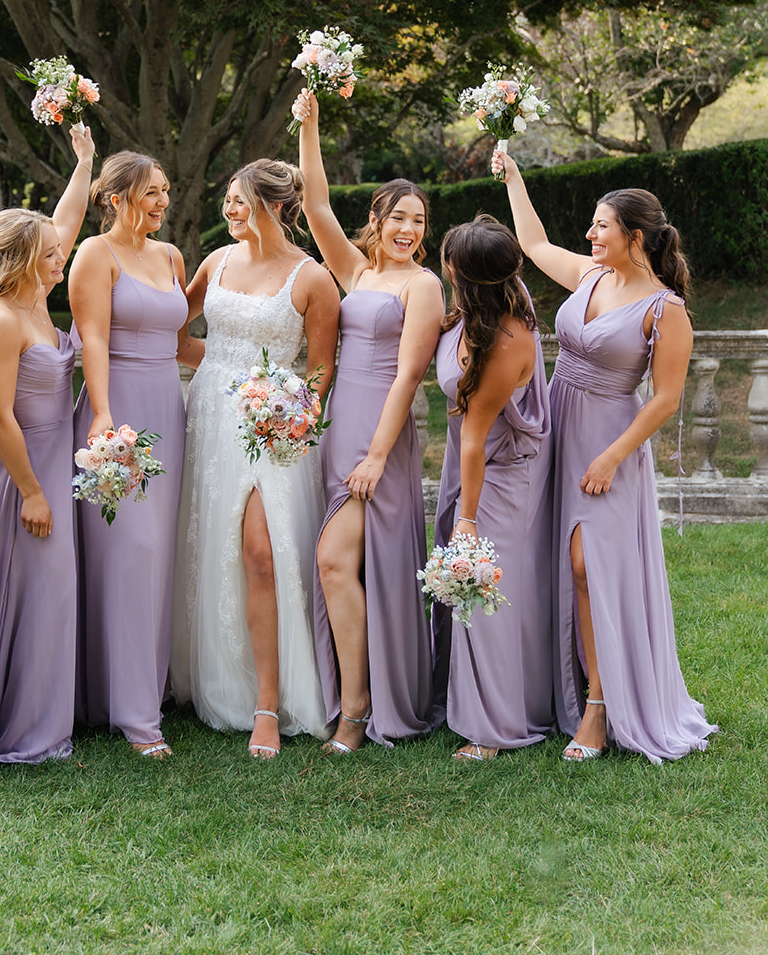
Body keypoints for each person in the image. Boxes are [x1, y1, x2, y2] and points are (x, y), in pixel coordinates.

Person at [498, 151, 716, 762]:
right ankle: (550, 687)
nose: (590, 235)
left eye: (601, 226)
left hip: (609, 439)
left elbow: (666, 399)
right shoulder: (590, 278)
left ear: (635, 238)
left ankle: (599, 705)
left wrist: (613, 456)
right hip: (557, 424)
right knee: (550, 554)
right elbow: (534, 243)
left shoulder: (665, 311)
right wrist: (514, 177)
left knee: (587, 563)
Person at [171, 160, 340, 758]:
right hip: (213, 420)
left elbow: (320, 369)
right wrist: (221, 367)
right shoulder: (215, 263)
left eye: (240, 201)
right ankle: (218, 679)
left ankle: (270, 701)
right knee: (215, 547)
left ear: (271, 205)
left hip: (274, 428)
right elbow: (174, 332)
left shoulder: (313, 279)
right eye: (228, 199)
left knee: (263, 553)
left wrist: (290, 409)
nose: (229, 210)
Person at [295, 92, 443, 751]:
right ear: (377, 220)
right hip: (336, 434)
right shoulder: (355, 273)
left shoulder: (423, 286)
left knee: (334, 562)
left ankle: (356, 708)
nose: (407, 229)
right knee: (336, 567)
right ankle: (348, 693)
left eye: (417, 220)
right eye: (398, 217)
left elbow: (409, 374)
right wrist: (310, 126)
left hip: (379, 437)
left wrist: (378, 456)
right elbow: (314, 206)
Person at [0, 123, 95, 764]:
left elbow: (66, 222)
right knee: (36, 597)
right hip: (27, 469)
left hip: (59, 458)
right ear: (22, 259)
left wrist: (84, 162)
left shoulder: (40, 298)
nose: (62, 258)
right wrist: (32, 492)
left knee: (56, 596)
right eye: (50, 253)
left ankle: (53, 712)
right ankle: (26, 730)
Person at [68, 152, 195, 758]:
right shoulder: (96, 255)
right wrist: (100, 413)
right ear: (116, 196)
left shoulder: (170, 256)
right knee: (129, 551)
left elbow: (181, 340)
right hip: (119, 410)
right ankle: (135, 714)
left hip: (169, 406)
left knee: (158, 551)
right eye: (150, 192)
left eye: (165, 191)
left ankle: (147, 684)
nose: (162, 201)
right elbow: (93, 334)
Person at [432, 215, 553, 761]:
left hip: (501, 476)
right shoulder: (476, 310)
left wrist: (467, 519)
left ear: (459, 272)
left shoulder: (504, 340)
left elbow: (476, 438)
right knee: (480, 596)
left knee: (485, 593)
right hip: (471, 465)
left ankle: (493, 728)